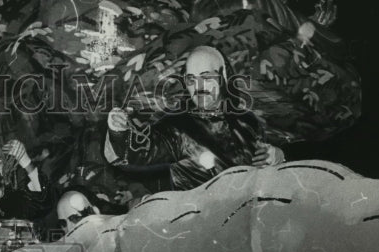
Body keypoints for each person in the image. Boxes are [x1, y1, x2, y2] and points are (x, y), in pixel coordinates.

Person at [104, 45, 285, 196]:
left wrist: (277, 157)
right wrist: (118, 130)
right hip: (203, 226)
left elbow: (265, 175)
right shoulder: (178, 127)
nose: (198, 87)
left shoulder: (248, 121)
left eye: (206, 77)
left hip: (248, 221)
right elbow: (139, 152)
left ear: (223, 76)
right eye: (191, 80)